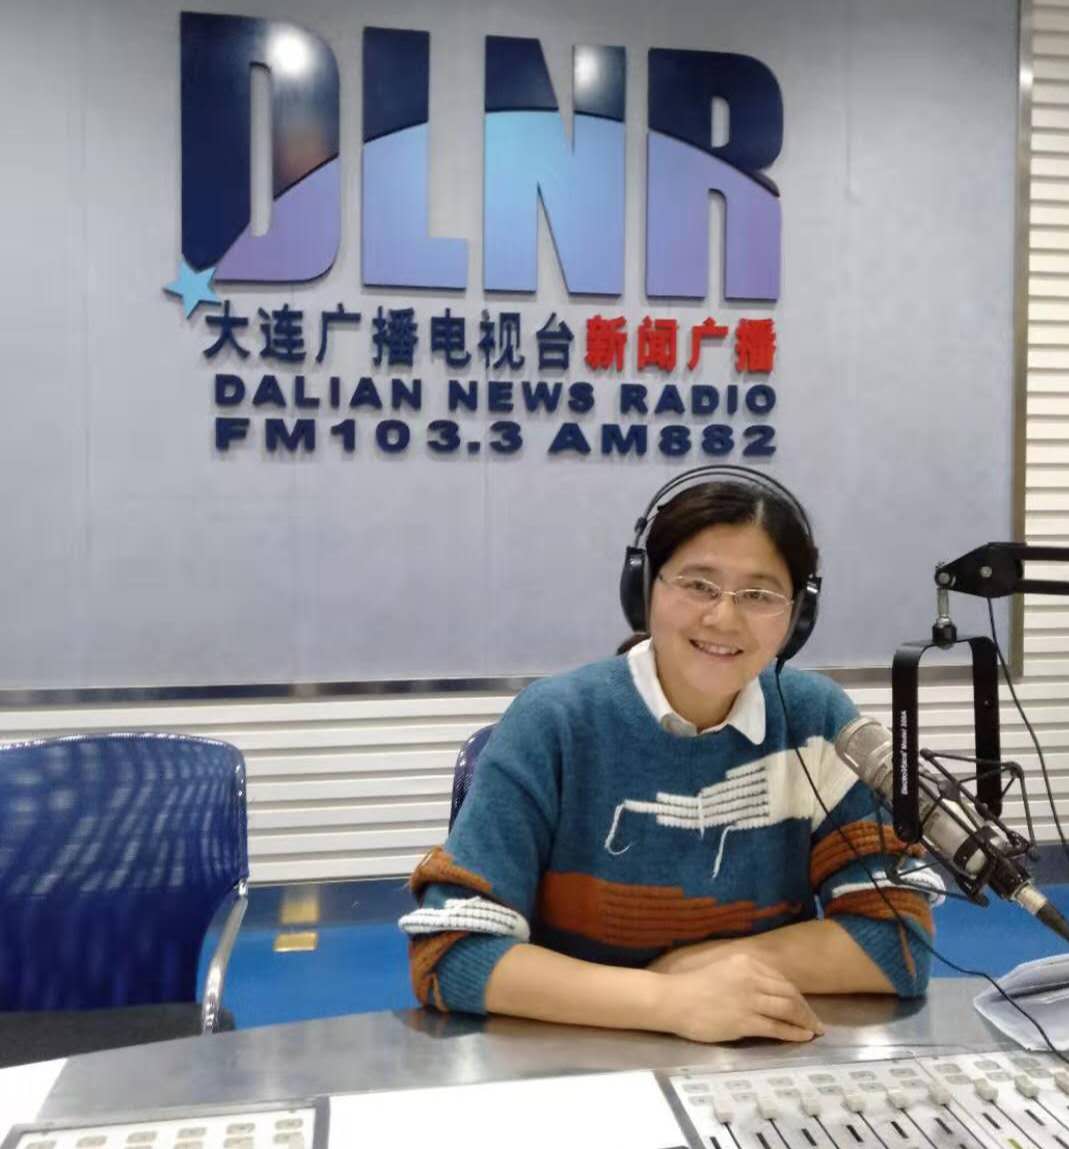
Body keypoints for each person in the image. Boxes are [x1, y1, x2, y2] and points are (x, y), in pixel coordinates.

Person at [400, 467, 938, 1044]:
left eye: (759, 595)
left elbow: (897, 940)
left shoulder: (815, 721)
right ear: (645, 590)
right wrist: (667, 1000)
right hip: (576, 1054)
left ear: (796, 617)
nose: (723, 618)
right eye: (698, 585)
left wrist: (704, 967)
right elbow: (452, 952)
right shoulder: (554, 722)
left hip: (755, 1061)